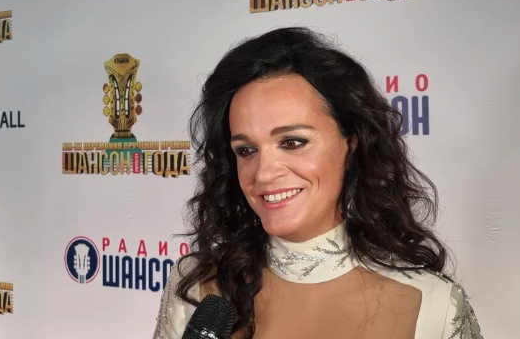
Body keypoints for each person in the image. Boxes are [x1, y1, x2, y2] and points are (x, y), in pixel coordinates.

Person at [152, 27, 483, 339]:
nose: (263, 173)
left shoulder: (432, 303)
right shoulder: (195, 286)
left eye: (292, 142)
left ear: (350, 144)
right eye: (247, 150)